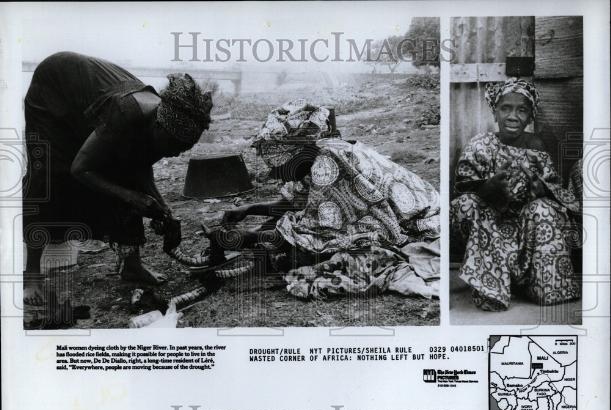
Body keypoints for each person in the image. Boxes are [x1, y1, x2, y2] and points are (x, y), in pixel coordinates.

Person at [23, 52, 213, 306]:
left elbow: (139, 167)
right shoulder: (126, 114)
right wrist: (132, 196)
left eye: (183, 149)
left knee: (124, 174)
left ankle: (131, 266)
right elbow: (80, 169)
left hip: (89, 103)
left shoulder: (163, 122)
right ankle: (31, 274)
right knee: (48, 176)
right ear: (157, 127)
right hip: (54, 89)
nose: (175, 152)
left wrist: (165, 210)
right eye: (173, 146)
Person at [206, 101, 441, 299]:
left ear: (294, 157)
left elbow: (320, 229)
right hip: (392, 212)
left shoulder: (328, 162)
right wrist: (248, 210)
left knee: (325, 253)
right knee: (287, 227)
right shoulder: (312, 157)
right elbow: (291, 204)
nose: (277, 175)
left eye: (280, 168)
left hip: (417, 220)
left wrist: (251, 238)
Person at [450, 78, 580, 311]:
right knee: (465, 204)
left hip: (527, 232)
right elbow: (462, 187)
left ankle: (540, 284)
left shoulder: (537, 147)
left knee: (544, 208)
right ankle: (492, 284)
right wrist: (489, 188)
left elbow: (560, 193)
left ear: (530, 117)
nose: (513, 116)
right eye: (506, 108)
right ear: (495, 112)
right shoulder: (480, 145)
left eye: (522, 110)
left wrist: (541, 190)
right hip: (489, 228)